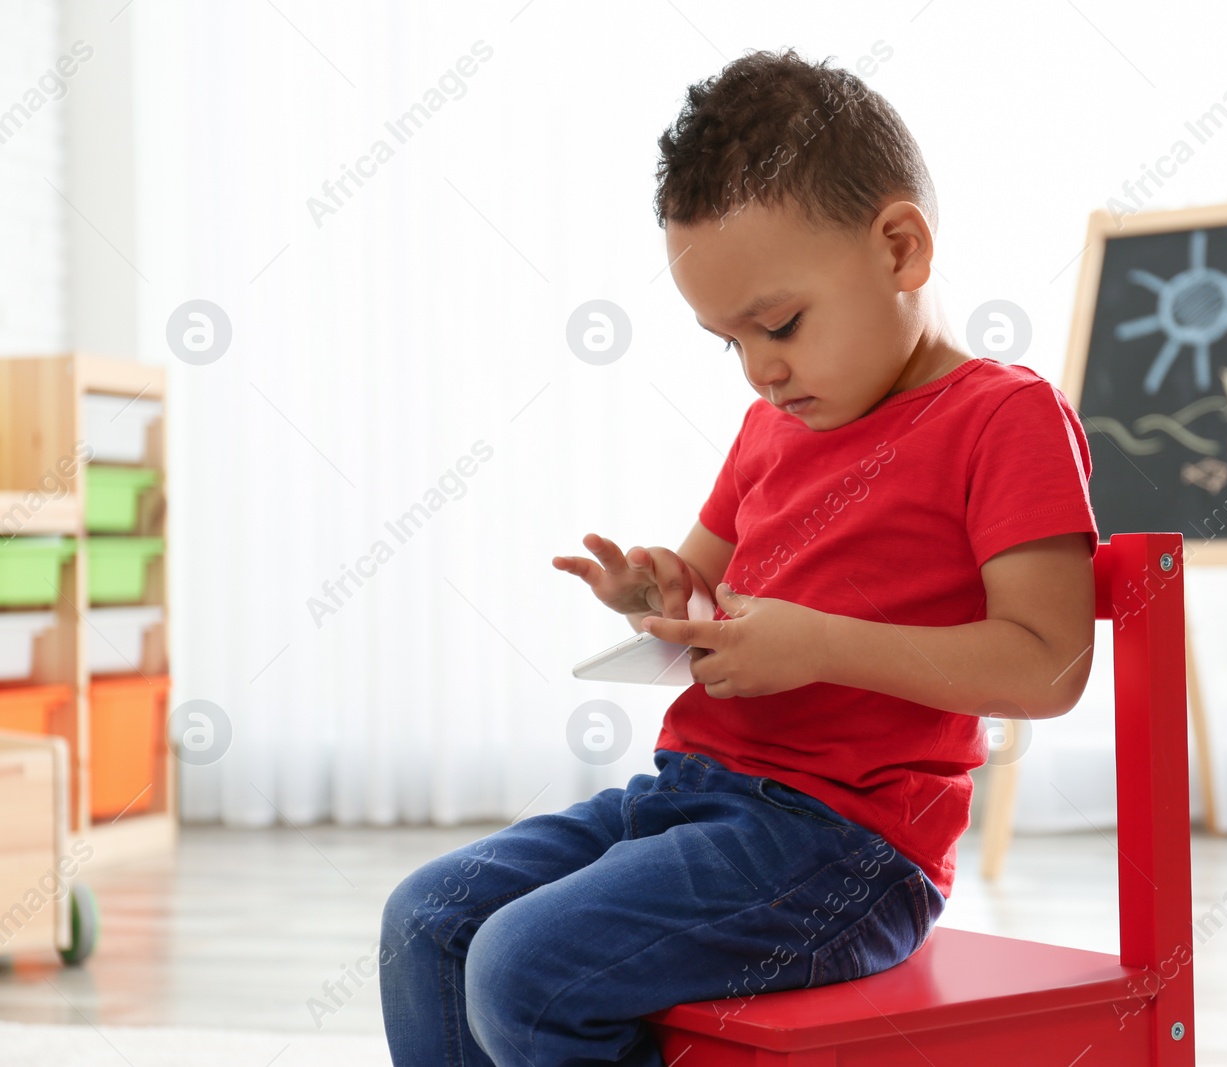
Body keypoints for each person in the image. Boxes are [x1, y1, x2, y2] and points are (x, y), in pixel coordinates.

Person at [379, 46, 1100, 1066]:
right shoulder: (774, 424)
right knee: (428, 916)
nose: (761, 370)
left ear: (899, 248)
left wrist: (817, 645)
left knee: (522, 969)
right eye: (730, 343)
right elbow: (703, 588)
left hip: (851, 847)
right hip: (694, 795)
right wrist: (657, 593)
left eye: (779, 324)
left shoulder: (1003, 417)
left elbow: (1050, 663)